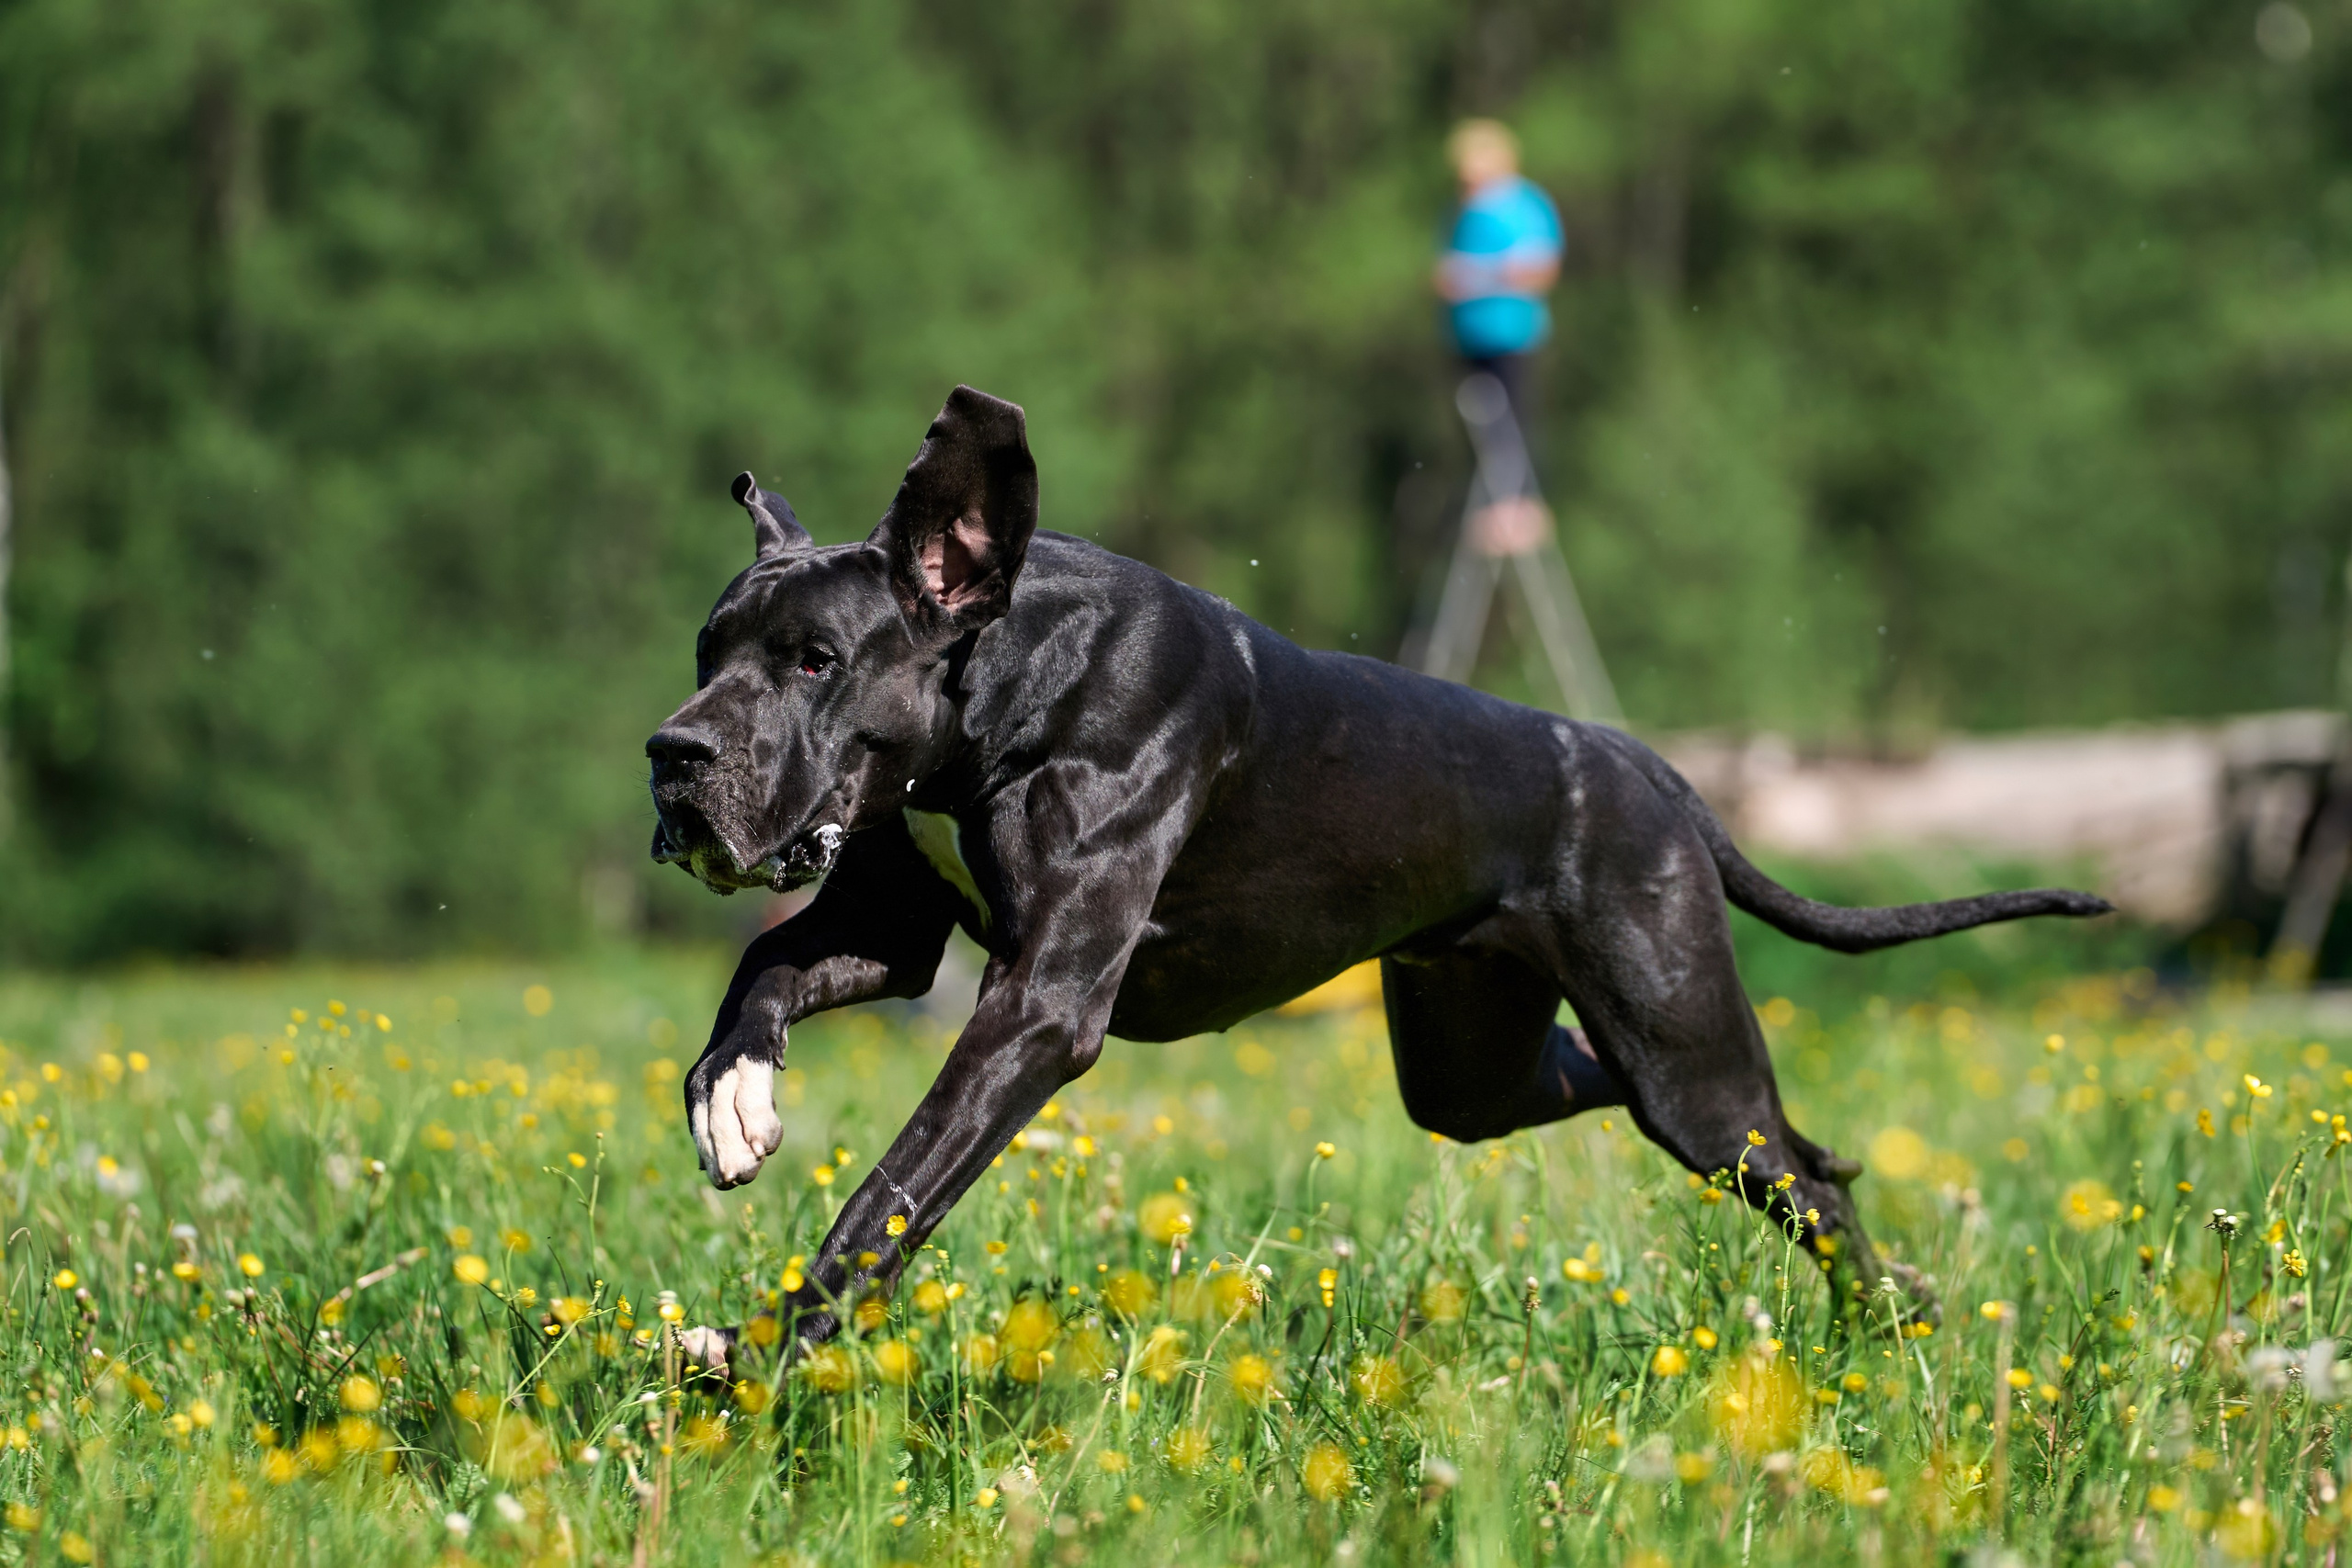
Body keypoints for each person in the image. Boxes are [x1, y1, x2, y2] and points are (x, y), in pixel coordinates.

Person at [1432, 118, 1562, 556]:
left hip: (1510, 332)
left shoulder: (1522, 205)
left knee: (1513, 416)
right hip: (1469, 335)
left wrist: (1480, 276)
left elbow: (1537, 268)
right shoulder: (1464, 209)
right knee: (1479, 419)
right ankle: (1493, 502)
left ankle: (1520, 506)